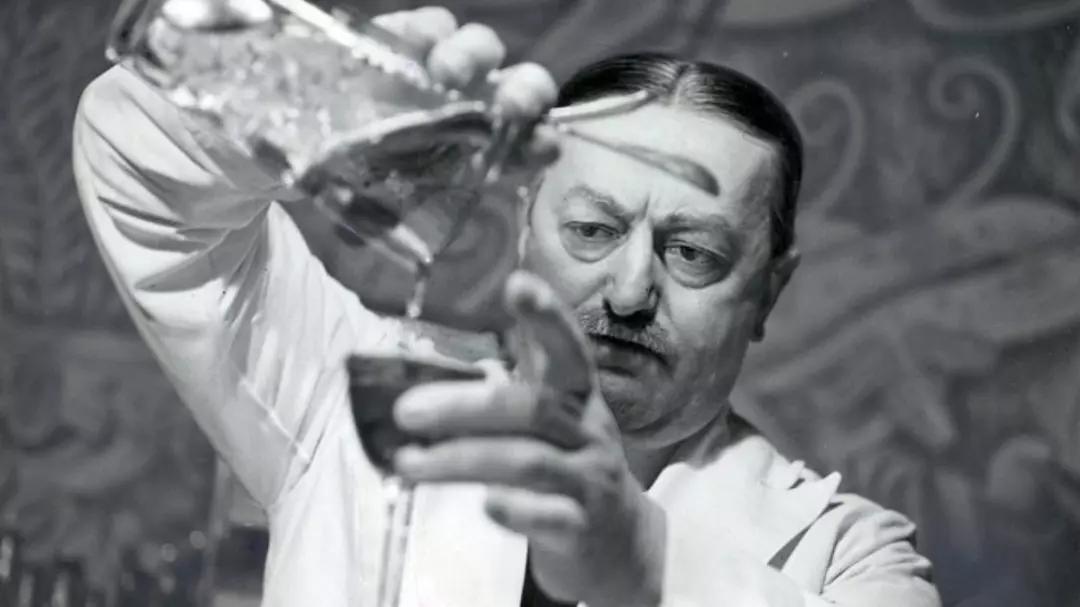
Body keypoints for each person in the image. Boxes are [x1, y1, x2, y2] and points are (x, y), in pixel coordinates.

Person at [73, 6, 941, 607]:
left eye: (693, 253)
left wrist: (644, 559)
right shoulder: (344, 399)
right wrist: (326, 101)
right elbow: (138, 178)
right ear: (525, 224)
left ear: (768, 290)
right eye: (593, 229)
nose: (630, 291)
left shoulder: (851, 553)